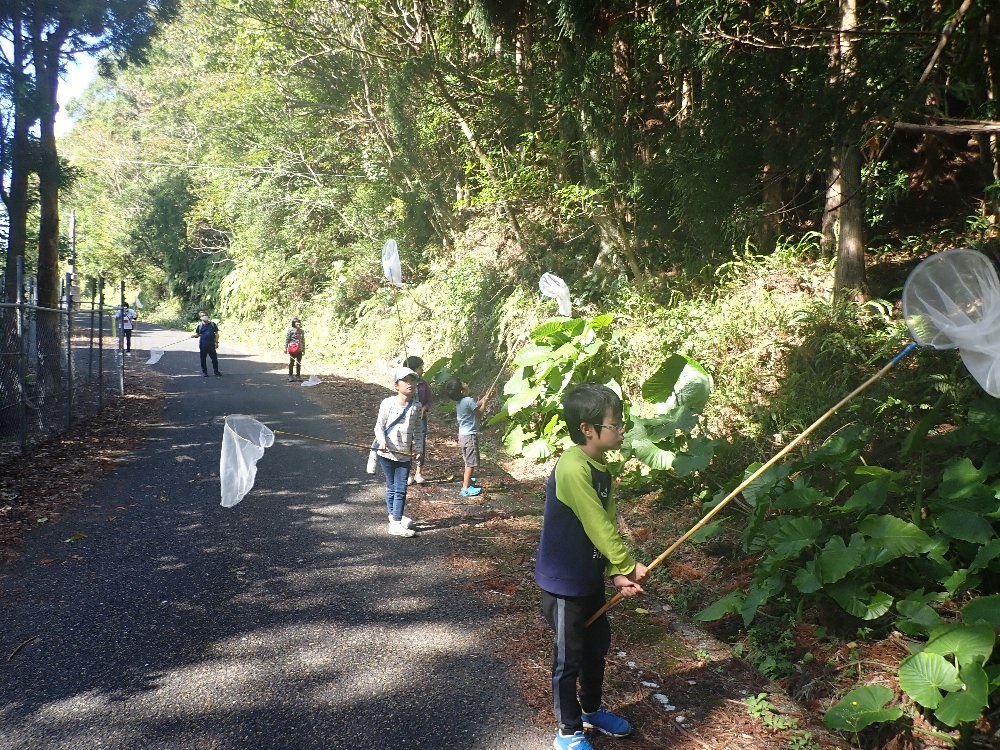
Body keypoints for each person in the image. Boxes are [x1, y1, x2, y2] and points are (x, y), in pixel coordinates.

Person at [534, 384, 648, 750]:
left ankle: (590, 710)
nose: (621, 430)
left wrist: (616, 572)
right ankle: (567, 731)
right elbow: (594, 522)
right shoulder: (572, 467)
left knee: (597, 647)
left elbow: (607, 521)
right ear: (588, 428)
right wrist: (628, 563)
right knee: (570, 657)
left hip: (588, 578)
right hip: (564, 582)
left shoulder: (601, 468)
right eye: (615, 424)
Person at [373, 366, 424, 537]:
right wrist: (381, 442)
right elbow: (379, 427)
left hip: (404, 454)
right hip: (386, 453)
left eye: (413, 381)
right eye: (406, 381)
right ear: (397, 386)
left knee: (401, 488)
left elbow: (418, 430)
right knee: (392, 487)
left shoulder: (417, 406)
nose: (410, 384)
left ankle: (396, 518)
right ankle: (395, 521)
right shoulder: (387, 403)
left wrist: (418, 448)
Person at [443, 376, 489, 497]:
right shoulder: (468, 400)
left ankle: (467, 480)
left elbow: (474, 405)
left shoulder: (461, 401)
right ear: (462, 390)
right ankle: (465, 488)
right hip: (470, 436)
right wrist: (485, 403)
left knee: (467, 461)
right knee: (471, 463)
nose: (465, 383)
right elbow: (479, 414)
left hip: (462, 436)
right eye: (463, 383)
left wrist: (484, 398)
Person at [403, 355, 432, 484]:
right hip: (407, 419)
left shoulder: (424, 384)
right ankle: (408, 473)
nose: (422, 370)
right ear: (413, 369)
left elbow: (429, 400)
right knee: (407, 444)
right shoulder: (405, 383)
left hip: (421, 419)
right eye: (420, 368)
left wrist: (424, 410)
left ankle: (418, 472)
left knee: (420, 445)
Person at [192, 310, 221, 377]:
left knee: (214, 359)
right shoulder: (199, 326)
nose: (204, 316)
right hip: (203, 345)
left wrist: (216, 342)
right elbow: (198, 334)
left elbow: (217, 334)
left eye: (205, 315)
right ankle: (205, 372)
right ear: (200, 318)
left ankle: (216, 371)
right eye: (202, 316)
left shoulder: (213, 324)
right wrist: (194, 336)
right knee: (203, 359)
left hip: (211, 344)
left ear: (207, 316)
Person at [285, 317, 306, 381]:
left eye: (299, 323)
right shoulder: (290, 330)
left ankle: (298, 376)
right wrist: (285, 348)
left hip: (299, 349)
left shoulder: (302, 331)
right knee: (292, 362)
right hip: (292, 349)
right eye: (297, 323)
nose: (299, 324)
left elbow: (303, 340)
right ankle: (290, 376)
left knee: (299, 362)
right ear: (294, 323)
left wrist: (304, 349)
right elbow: (287, 340)